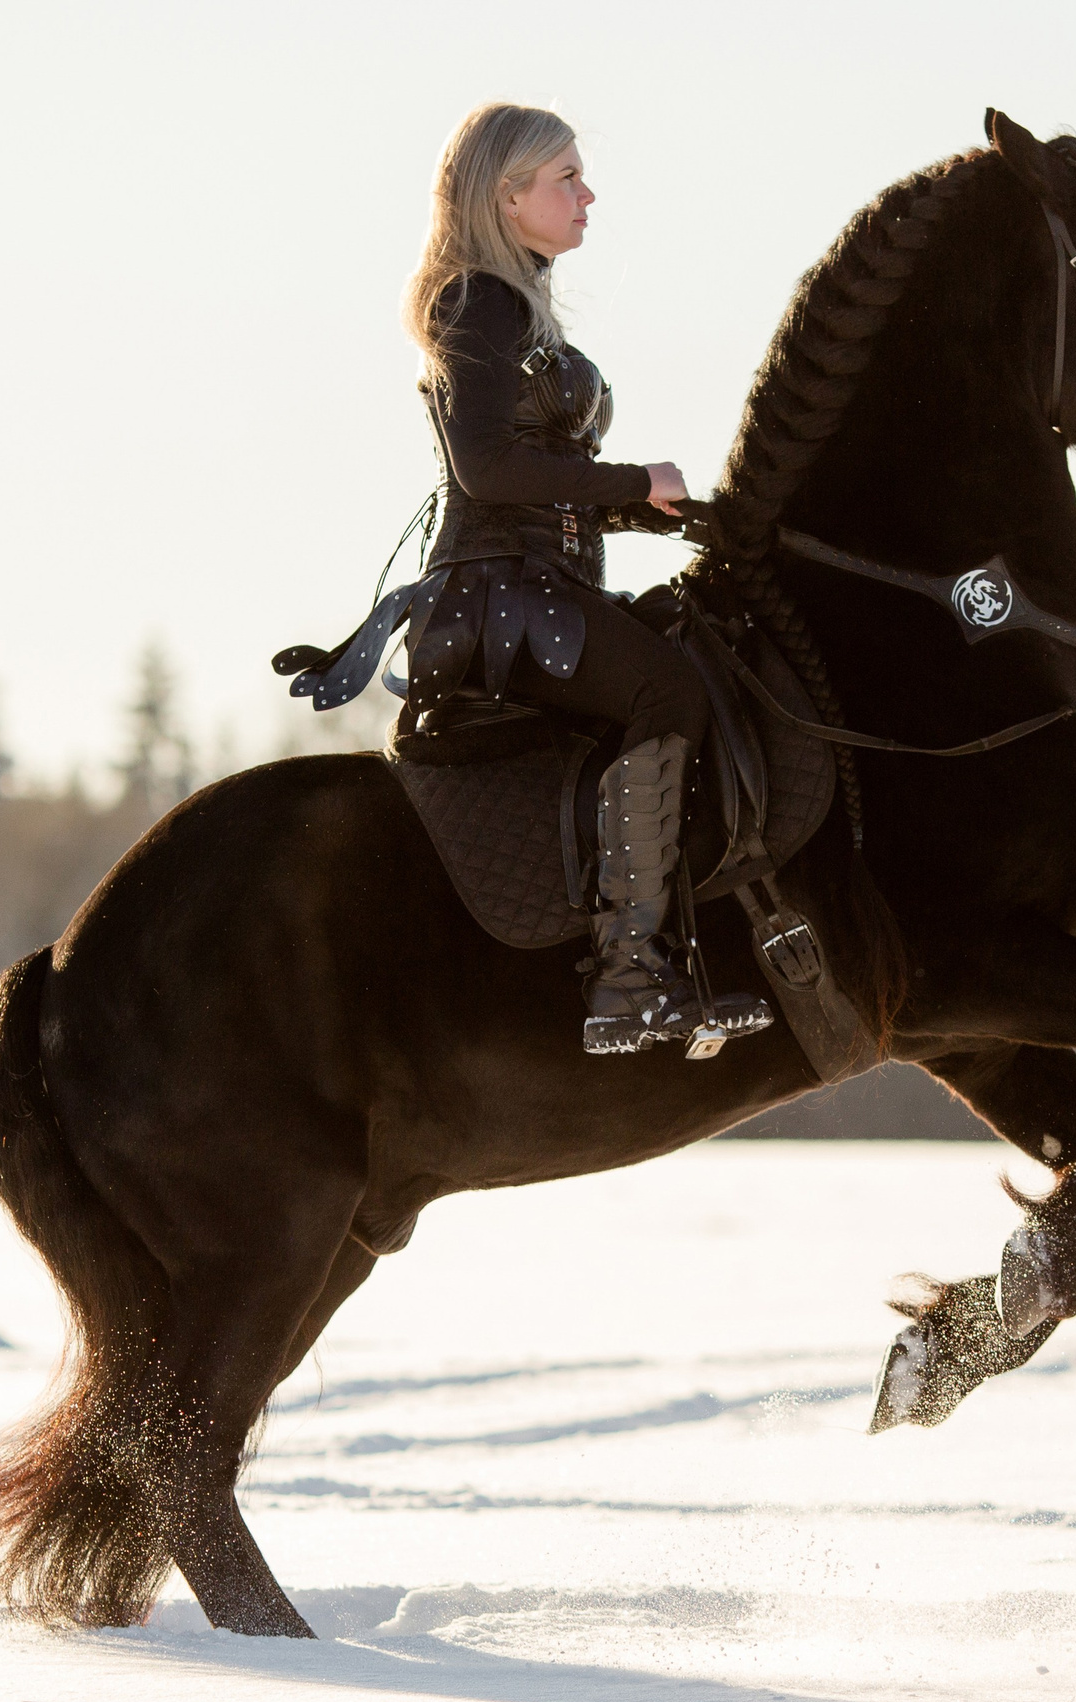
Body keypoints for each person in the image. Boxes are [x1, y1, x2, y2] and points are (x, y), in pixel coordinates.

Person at [281, 103, 771, 1058]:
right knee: (666, 688)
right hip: (499, 600)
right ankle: (631, 975)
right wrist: (632, 481)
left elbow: (540, 485)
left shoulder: (513, 303)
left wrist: (661, 512)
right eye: (567, 178)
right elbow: (491, 473)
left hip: (532, 585)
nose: (588, 195)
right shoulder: (480, 300)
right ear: (508, 197)